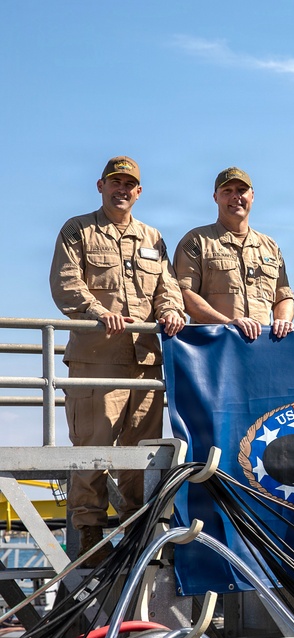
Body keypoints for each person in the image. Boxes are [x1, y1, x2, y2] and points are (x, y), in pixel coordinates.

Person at [49, 156, 185, 565]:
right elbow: (66, 285)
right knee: (93, 446)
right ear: (100, 186)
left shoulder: (152, 237)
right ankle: (88, 531)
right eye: (115, 182)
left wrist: (172, 311)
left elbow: (168, 286)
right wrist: (97, 312)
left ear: (139, 191)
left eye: (129, 184)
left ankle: (134, 529)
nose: (122, 189)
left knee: (139, 453)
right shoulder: (79, 230)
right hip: (97, 360)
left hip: (144, 362)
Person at [173, 167, 294, 340]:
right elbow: (184, 293)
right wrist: (227, 323)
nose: (235, 196)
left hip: (262, 348)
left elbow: (283, 295)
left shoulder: (270, 246)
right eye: (227, 191)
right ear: (215, 197)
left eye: (242, 190)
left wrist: (282, 321)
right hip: (215, 346)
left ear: (252, 195)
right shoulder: (196, 241)